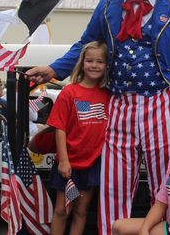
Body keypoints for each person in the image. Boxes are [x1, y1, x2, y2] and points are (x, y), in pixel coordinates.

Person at [25, 0, 170, 233]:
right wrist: (55, 68)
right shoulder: (108, 4)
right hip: (120, 101)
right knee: (114, 180)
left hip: (163, 99)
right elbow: (87, 43)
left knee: (168, 178)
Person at [47, 41, 110, 235]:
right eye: (89, 60)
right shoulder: (70, 92)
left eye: (99, 61)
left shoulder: (109, 94)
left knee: (82, 210)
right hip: (70, 167)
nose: (94, 65)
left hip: (92, 166)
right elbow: (60, 128)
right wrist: (64, 161)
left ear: (106, 65)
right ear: (82, 63)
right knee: (63, 209)